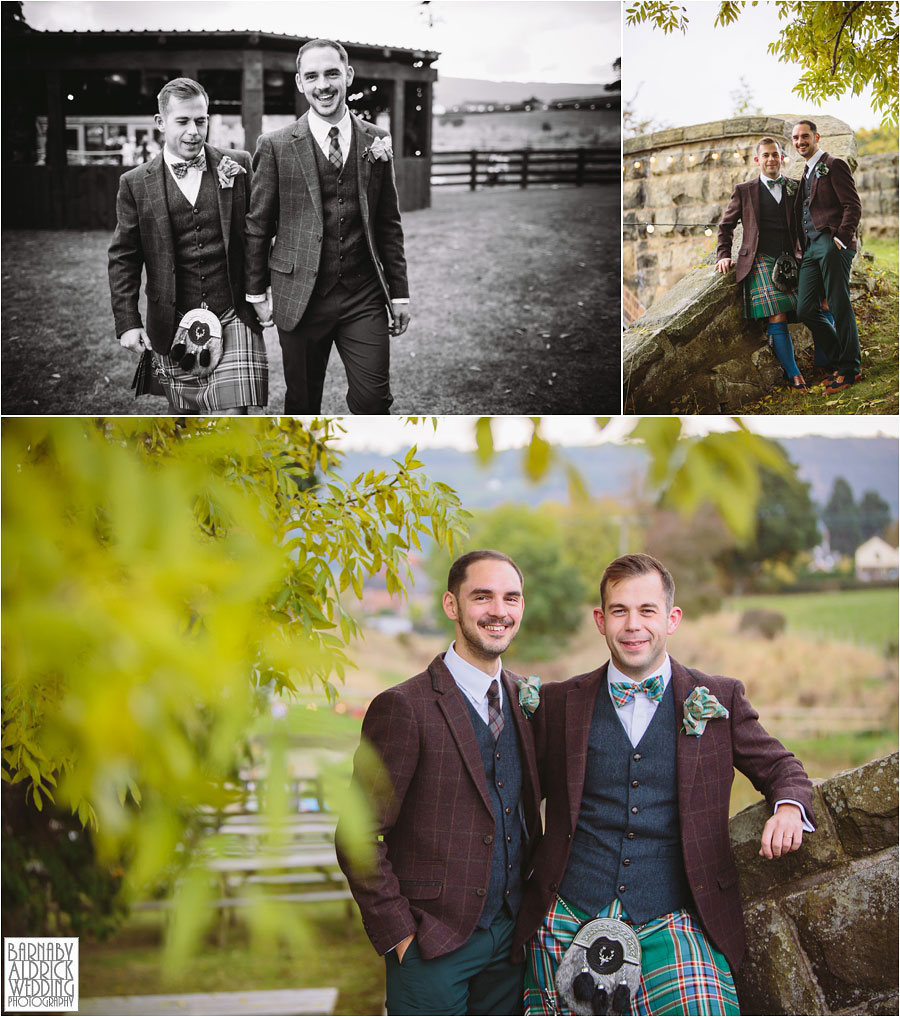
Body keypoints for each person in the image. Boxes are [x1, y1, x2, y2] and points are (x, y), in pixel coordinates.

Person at [516, 553, 816, 1016]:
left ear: (672, 618)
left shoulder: (718, 699)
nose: (633, 624)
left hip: (674, 917)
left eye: (647, 610)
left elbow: (783, 768)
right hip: (567, 912)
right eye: (619, 611)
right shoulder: (559, 704)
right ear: (601, 620)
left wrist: (790, 808)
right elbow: (512, 797)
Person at [336, 550, 542, 1016]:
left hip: (509, 940)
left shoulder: (526, 700)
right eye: (482, 597)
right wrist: (401, 936)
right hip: (430, 942)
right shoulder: (403, 707)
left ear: (522, 608)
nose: (498, 611)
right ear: (451, 605)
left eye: (511, 598)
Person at [245, 38, 410, 414]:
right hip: (299, 296)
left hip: (362, 294)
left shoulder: (376, 140)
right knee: (302, 404)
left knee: (373, 402)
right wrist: (256, 293)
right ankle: (302, 472)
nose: (323, 85)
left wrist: (399, 293)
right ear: (301, 83)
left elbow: (388, 223)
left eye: (332, 73)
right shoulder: (275, 145)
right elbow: (257, 224)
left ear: (348, 76)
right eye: (312, 76)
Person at [108, 77, 266, 414]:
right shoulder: (135, 184)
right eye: (183, 121)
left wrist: (262, 292)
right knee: (183, 423)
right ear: (161, 123)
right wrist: (127, 320)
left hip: (234, 311)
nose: (194, 131)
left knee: (234, 417)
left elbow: (260, 233)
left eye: (201, 120)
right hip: (171, 318)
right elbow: (124, 257)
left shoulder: (237, 164)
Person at [716, 137, 807, 392]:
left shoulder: (795, 187)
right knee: (777, 313)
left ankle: (827, 360)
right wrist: (723, 254)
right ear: (758, 160)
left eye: (775, 155)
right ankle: (794, 374)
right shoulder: (744, 190)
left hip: (794, 258)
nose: (771, 159)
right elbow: (725, 226)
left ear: (782, 158)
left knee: (817, 305)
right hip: (761, 259)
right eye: (765, 155)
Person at [791, 119, 863, 394]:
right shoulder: (806, 173)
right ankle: (840, 361)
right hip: (810, 248)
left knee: (838, 304)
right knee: (805, 308)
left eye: (805, 136)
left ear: (816, 137)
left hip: (833, 244)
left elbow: (852, 205)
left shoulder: (834, 164)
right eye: (796, 138)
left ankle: (849, 369)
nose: (800, 142)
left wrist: (841, 239)